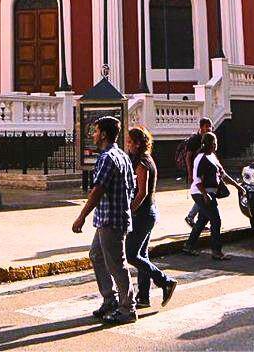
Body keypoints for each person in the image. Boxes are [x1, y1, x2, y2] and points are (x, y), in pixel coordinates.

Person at [72, 115, 137, 324]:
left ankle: (128, 308)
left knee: (117, 264)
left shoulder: (107, 158)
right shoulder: (122, 155)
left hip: (111, 219)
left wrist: (81, 216)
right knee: (96, 256)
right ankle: (110, 299)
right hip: (109, 218)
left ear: (105, 134)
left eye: (96, 131)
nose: (93, 134)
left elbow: (98, 189)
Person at [125, 126, 177, 310]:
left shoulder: (143, 163)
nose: (128, 145)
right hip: (148, 213)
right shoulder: (145, 159)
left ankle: (165, 281)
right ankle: (144, 297)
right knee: (142, 255)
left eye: (130, 142)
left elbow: (142, 193)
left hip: (143, 214)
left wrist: (129, 211)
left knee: (131, 255)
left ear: (138, 143)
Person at [183, 131, 238, 260]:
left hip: (209, 192)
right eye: (214, 142)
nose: (215, 145)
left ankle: (189, 245)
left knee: (202, 220)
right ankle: (216, 251)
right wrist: (205, 195)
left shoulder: (212, 156)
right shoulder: (201, 158)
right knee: (216, 220)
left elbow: (223, 174)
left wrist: (237, 186)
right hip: (201, 193)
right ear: (211, 144)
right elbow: (197, 181)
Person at [181, 118, 212, 229]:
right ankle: (191, 217)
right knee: (203, 195)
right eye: (207, 126)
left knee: (204, 195)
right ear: (201, 127)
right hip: (197, 173)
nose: (209, 128)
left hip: (205, 173)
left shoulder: (208, 138)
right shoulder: (195, 140)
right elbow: (188, 157)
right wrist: (190, 174)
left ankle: (197, 219)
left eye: (210, 126)